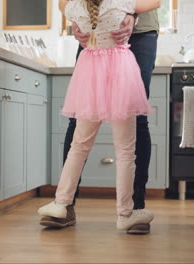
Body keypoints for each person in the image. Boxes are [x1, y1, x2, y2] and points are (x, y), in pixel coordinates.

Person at [38, 0, 160, 233]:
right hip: (97, 33)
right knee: (121, 141)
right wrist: (79, 20)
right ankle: (115, 211)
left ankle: (132, 207)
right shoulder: (119, 3)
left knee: (122, 125)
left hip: (138, 31)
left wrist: (129, 14)